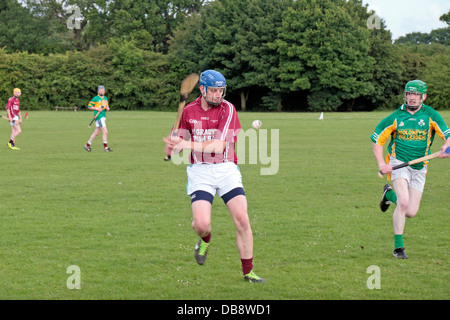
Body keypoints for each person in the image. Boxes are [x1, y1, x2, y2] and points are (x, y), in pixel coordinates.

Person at [163, 70, 265, 282]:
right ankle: (205, 239)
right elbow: (174, 149)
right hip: (200, 171)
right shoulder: (188, 111)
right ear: (202, 89)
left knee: (243, 221)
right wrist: (172, 147)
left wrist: (185, 144)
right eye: (214, 91)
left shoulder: (228, 109)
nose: (219, 95)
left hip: (226, 168)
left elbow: (219, 146)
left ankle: (249, 272)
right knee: (201, 224)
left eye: (221, 90)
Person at [371, 80, 450, 259]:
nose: (412, 98)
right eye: (409, 94)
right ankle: (398, 249)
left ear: (424, 96)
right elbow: (377, 141)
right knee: (404, 203)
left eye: (416, 94)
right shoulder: (395, 117)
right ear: (405, 95)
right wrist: (381, 164)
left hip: (420, 167)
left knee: (411, 211)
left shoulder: (431, 115)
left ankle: (388, 195)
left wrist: (447, 146)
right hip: (399, 163)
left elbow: (448, 135)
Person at [84, 85, 112, 152]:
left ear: (104, 91)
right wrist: (97, 108)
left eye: (103, 90)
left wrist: (107, 108)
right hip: (99, 117)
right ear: (98, 91)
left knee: (96, 133)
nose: (101, 91)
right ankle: (106, 148)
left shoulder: (105, 98)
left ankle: (87, 145)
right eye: (100, 90)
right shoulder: (95, 98)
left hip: (103, 116)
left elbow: (106, 106)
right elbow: (89, 106)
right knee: (105, 131)